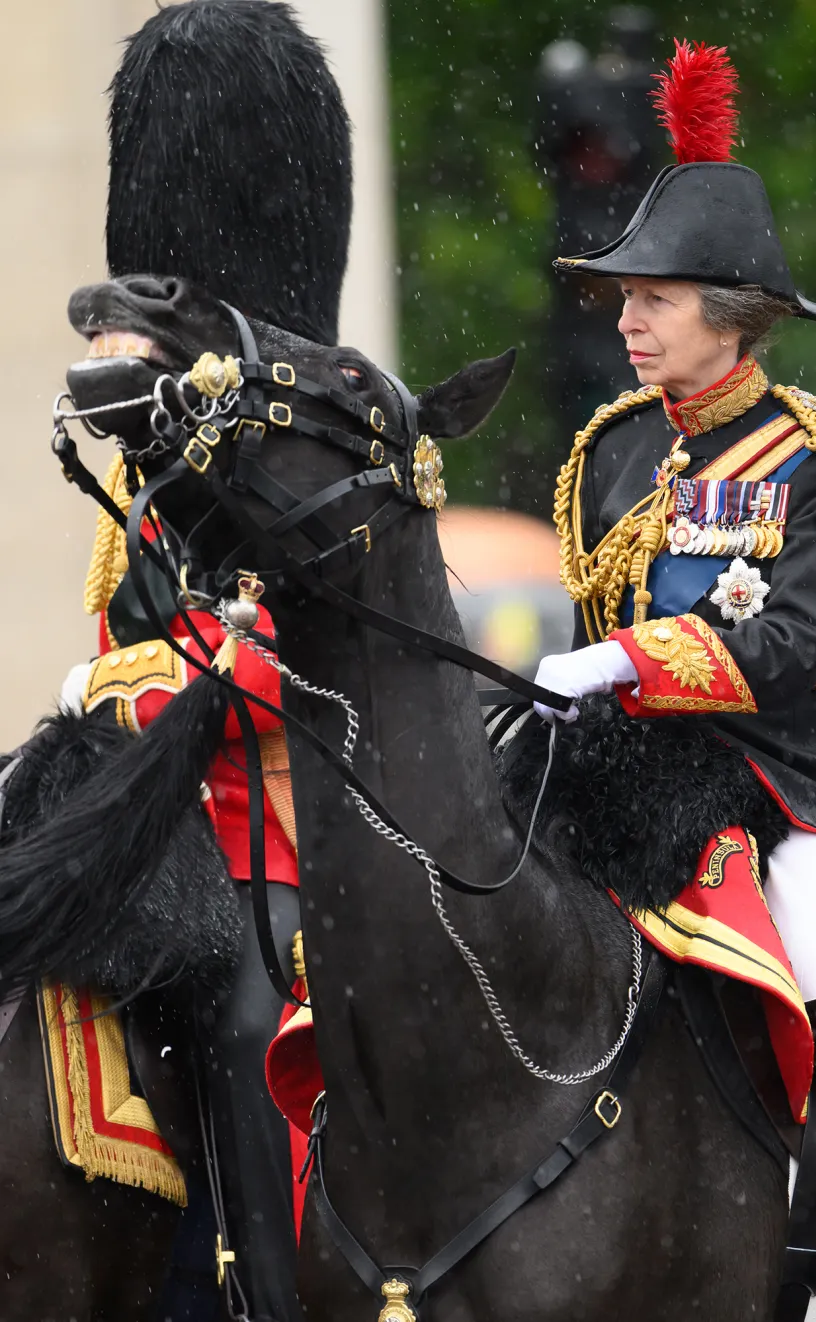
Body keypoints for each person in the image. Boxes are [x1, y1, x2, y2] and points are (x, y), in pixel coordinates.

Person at [534, 40, 816, 1322]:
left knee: (814, 934)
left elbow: (785, 649)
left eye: (654, 299)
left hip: (796, 767)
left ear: (729, 313)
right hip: (627, 758)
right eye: (621, 297)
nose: (625, 319)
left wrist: (625, 657)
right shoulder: (606, 453)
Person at [61, 4, 353, 1319]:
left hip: (281, 821)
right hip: (148, 818)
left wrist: (126, 692)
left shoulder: (307, 449)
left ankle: (268, 1295)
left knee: (245, 1008)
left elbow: (303, 654)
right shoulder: (156, 471)